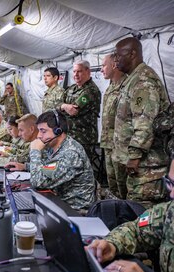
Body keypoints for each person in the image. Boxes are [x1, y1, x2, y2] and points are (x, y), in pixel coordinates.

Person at [88, 158, 174, 272]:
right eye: (170, 183)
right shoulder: (170, 210)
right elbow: (136, 230)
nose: (172, 194)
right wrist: (112, 244)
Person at [113, 37, 170, 208]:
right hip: (140, 164)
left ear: (132, 54)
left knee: (142, 212)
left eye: (118, 56)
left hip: (147, 167)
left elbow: (145, 123)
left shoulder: (143, 81)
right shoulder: (132, 78)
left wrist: (135, 156)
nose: (115, 60)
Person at [7, 110, 96, 212]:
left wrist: (35, 151)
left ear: (58, 131)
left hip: (74, 212)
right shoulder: (53, 146)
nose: (39, 135)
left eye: (43, 131)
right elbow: (47, 168)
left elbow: (38, 181)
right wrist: (25, 167)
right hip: (56, 202)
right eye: (39, 130)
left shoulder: (71, 153)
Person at [58, 60, 101, 161]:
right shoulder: (71, 89)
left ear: (88, 72)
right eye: (74, 71)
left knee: (82, 170)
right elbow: (56, 104)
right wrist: (64, 106)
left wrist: (62, 107)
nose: (76, 74)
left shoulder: (91, 90)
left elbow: (73, 111)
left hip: (83, 139)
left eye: (79, 71)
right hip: (69, 136)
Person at [100, 54, 128, 199]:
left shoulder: (127, 86)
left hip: (121, 146)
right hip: (108, 142)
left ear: (114, 65)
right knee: (112, 182)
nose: (101, 69)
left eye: (104, 65)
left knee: (123, 184)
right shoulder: (111, 87)